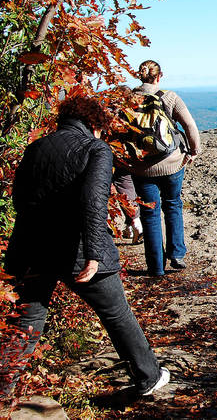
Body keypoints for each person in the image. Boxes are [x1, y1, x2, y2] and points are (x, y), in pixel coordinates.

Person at [3, 94, 170, 396]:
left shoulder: (35, 147)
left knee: (27, 321)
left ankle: (3, 389)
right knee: (116, 312)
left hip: (31, 248)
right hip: (76, 249)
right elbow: (93, 202)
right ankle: (148, 376)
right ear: (93, 123)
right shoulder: (95, 148)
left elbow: (19, 199)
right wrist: (94, 253)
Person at [130, 60, 201, 277]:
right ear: (159, 76)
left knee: (149, 214)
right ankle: (177, 254)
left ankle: (155, 267)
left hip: (141, 166)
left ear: (140, 76)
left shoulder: (127, 99)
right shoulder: (169, 97)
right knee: (172, 205)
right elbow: (189, 125)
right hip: (171, 162)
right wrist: (193, 150)